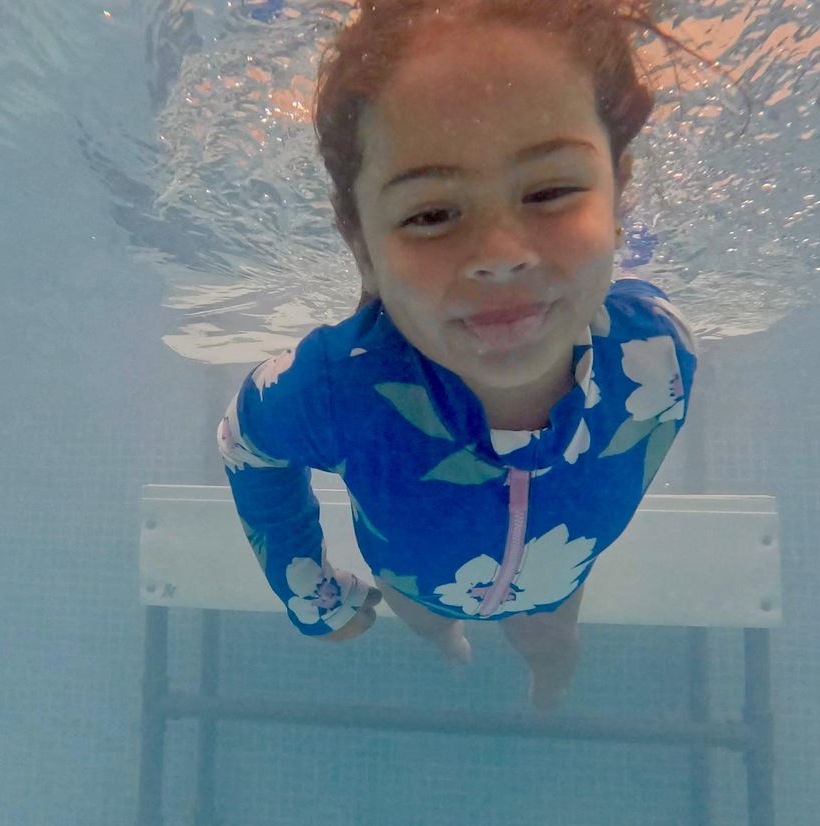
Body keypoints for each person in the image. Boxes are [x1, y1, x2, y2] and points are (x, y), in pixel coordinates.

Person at [217, 0, 703, 711]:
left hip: (558, 581)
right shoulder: (335, 384)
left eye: (551, 190)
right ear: (362, 245)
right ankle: (447, 644)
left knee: (551, 638)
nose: (501, 256)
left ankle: (547, 677)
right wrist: (307, 589)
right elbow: (246, 444)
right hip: (416, 587)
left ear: (618, 195)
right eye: (431, 214)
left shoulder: (658, 348)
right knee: (426, 621)